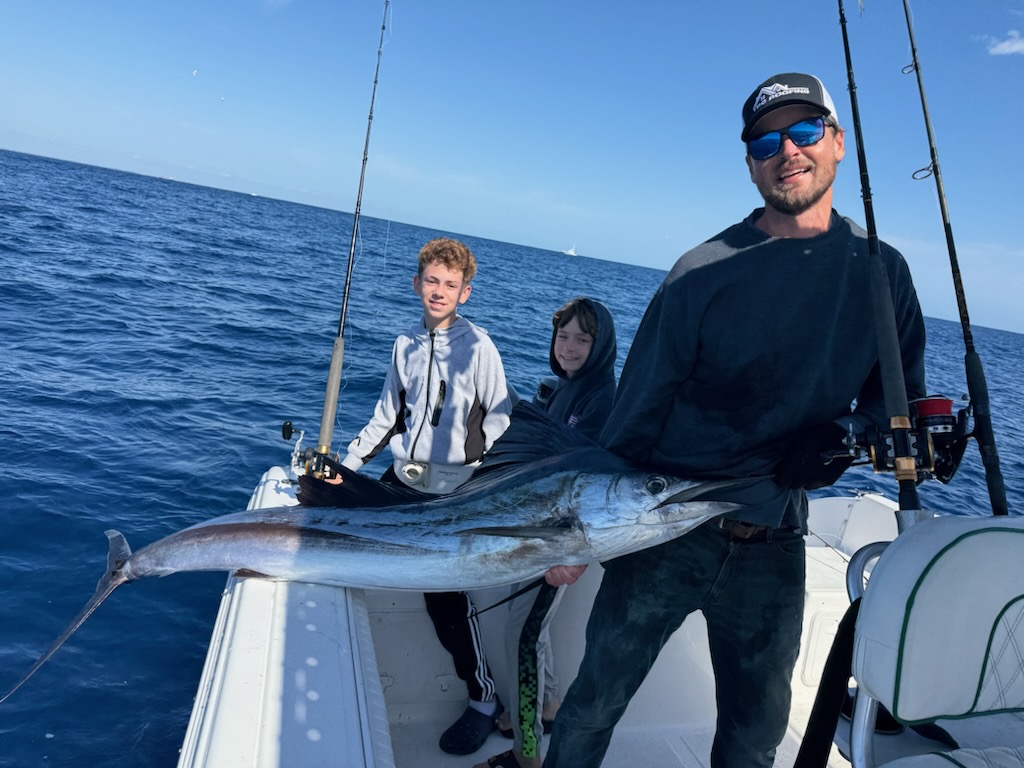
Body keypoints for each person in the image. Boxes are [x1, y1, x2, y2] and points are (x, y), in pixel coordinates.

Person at [542, 72, 927, 768]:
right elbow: (631, 420)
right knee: (592, 704)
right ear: (751, 163)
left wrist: (842, 438)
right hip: (663, 535)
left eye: (807, 131)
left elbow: (895, 406)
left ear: (838, 144)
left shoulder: (883, 275)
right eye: (767, 140)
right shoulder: (700, 273)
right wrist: (575, 535)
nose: (789, 150)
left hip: (774, 540)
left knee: (756, 733)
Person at [336, 237, 514, 755]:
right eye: (431, 281)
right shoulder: (404, 344)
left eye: (450, 285)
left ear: (466, 293)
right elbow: (386, 417)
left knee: (446, 601)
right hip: (403, 480)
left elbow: (501, 424)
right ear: (417, 284)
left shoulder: (480, 348)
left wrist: (488, 488)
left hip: (454, 492)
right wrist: (345, 468)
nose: (439, 292)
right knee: (332, 523)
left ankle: (484, 699)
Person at [478, 298, 618, 768]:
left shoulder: (602, 397)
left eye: (583, 338)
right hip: (535, 532)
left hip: (553, 542)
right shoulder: (564, 388)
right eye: (563, 336)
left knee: (523, 638)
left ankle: (528, 753)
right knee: (533, 633)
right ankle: (547, 705)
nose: (570, 347)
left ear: (601, 346)